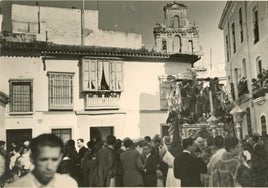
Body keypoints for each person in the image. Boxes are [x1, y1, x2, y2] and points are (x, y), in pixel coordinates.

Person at [5, 133, 78, 187]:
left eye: (54, 159)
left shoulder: (69, 184)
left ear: (60, 158)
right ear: (32, 158)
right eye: (43, 159)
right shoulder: (15, 187)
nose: (49, 167)